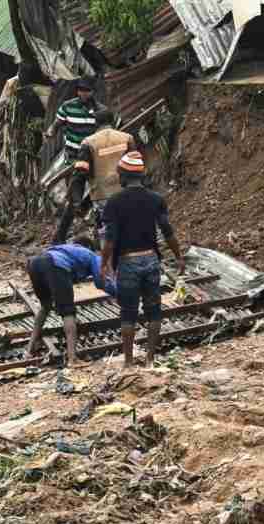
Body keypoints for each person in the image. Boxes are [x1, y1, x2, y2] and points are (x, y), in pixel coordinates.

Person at [100, 151, 185, 369]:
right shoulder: (156, 199)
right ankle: (150, 360)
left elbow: (110, 239)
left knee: (128, 313)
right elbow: (167, 231)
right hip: (151, 260)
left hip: (128, 262)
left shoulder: (114, 202)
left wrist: (104, 264)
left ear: (124, 175)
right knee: (153, 310)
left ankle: (128, 362)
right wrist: (179, 256)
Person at [25, 235, 117, 367]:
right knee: (68, 312)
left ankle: (28, 350)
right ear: (90, 247)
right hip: (55, 264)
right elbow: (100, 281)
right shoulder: (91, 254)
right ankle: (72, 359)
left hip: (34, 264)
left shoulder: (66, 249)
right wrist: (118, 292)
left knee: (45, 307)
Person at [54, 108, 132, 244]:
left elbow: (80, 173)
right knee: (129, 228)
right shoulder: (127, 138)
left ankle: (108, 261)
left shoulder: (88, 143)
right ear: (112, 121)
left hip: (102, 194)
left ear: (96, 123)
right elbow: (135, 165)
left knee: (107, 234)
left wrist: (77, 199)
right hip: (126, 192)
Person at [47, 78, 100, 244]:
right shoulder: (68, 106)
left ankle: (99, 235)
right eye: (81, 90)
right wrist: (50, 131)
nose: (84, 93)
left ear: (92, 92)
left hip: (92, 160)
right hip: (73, 159)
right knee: (73, 199)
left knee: (97, 197)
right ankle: (60, 237)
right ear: (78, 91)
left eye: (87, 90)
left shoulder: (99, 110)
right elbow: (56, 124)